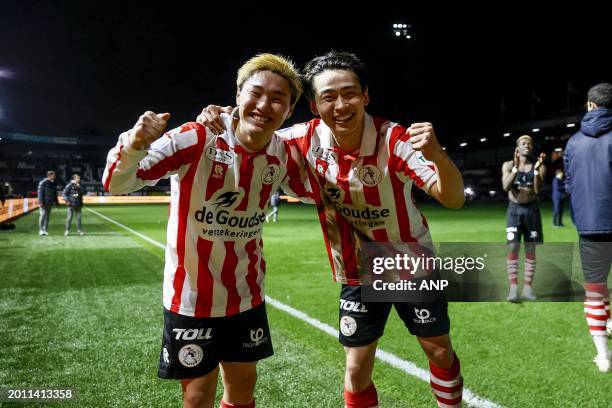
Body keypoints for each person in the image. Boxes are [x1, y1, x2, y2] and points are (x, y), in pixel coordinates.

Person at [198, 51, 466, 408]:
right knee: (356, 369)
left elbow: (452, 198)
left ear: (365, 96)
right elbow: (254, 130)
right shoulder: (301, 140)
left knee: (439, 352)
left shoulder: (394, 139)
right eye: (328, 97)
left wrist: (438, 154)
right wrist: (220, 116)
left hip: (412, 263)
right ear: (313, 104)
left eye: (349, 93)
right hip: (358, 271)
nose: (341, 105)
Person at [103, 54, 308, 408]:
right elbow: (117, 182)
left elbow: (315, 187)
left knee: (244, 385)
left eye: (278, 98)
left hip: (246, 295)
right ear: (238, 94)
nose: (264, 105)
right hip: (191, 298)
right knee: (197, 396)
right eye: (255, 93)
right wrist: (135, 142)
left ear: (288, 111)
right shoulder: (196, 137)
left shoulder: (283, 155)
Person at [564, 82, 612, 373]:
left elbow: (570, 184)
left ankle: (604, 356)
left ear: (591, 105)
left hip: (590, 225)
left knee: (595, 289)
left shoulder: (573, 142)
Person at [501, 135, 546, 302]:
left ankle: (527, 288)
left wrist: (536, 170)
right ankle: (513, 289)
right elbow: (505, 186)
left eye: (529, 143)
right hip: (514, 210)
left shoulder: (539, 166)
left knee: (530, 248)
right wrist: (516, 168)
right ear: (517, 147)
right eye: (523, 143)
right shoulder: (508, 165)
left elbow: (537, 189)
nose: (526, 145)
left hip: (532, 210)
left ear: (532, 147)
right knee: (513, 247)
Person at [37, 170, 59, 236]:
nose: (55, 176)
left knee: (47, 217)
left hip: (49, 202)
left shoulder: (53, 183)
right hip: (44, 202)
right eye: (53, 175)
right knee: (43, 215)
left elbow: (55, 193)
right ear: (49, 175)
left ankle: (45, 230)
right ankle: (41, 230)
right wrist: (40, 201)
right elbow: (40, 193)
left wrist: (56, 202)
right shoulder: (43, 182)